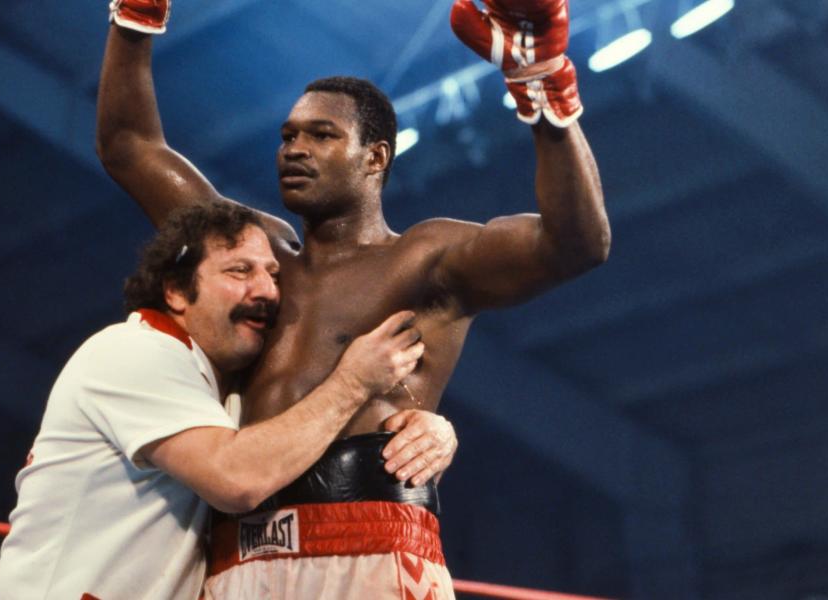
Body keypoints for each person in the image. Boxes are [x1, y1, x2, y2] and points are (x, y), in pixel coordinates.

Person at [97, 0, 610, 598]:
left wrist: (543, 90)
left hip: (371, 542)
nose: (294, 148)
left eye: (321, 134)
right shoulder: (251, 257)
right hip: (236, 554)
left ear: (376, 158)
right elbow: (129, 148)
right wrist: (135, 16)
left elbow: (577, 244)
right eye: (288, 135)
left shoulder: (427, 257)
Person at [0, 203, 430, 599]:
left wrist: (429, 430)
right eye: (239, 271)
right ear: (176, 292)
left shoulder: (221, 394)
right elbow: (236, 478)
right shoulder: (133, 352)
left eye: (272, 275)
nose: (267, 291)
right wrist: (354, 383)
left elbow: (292, 444)